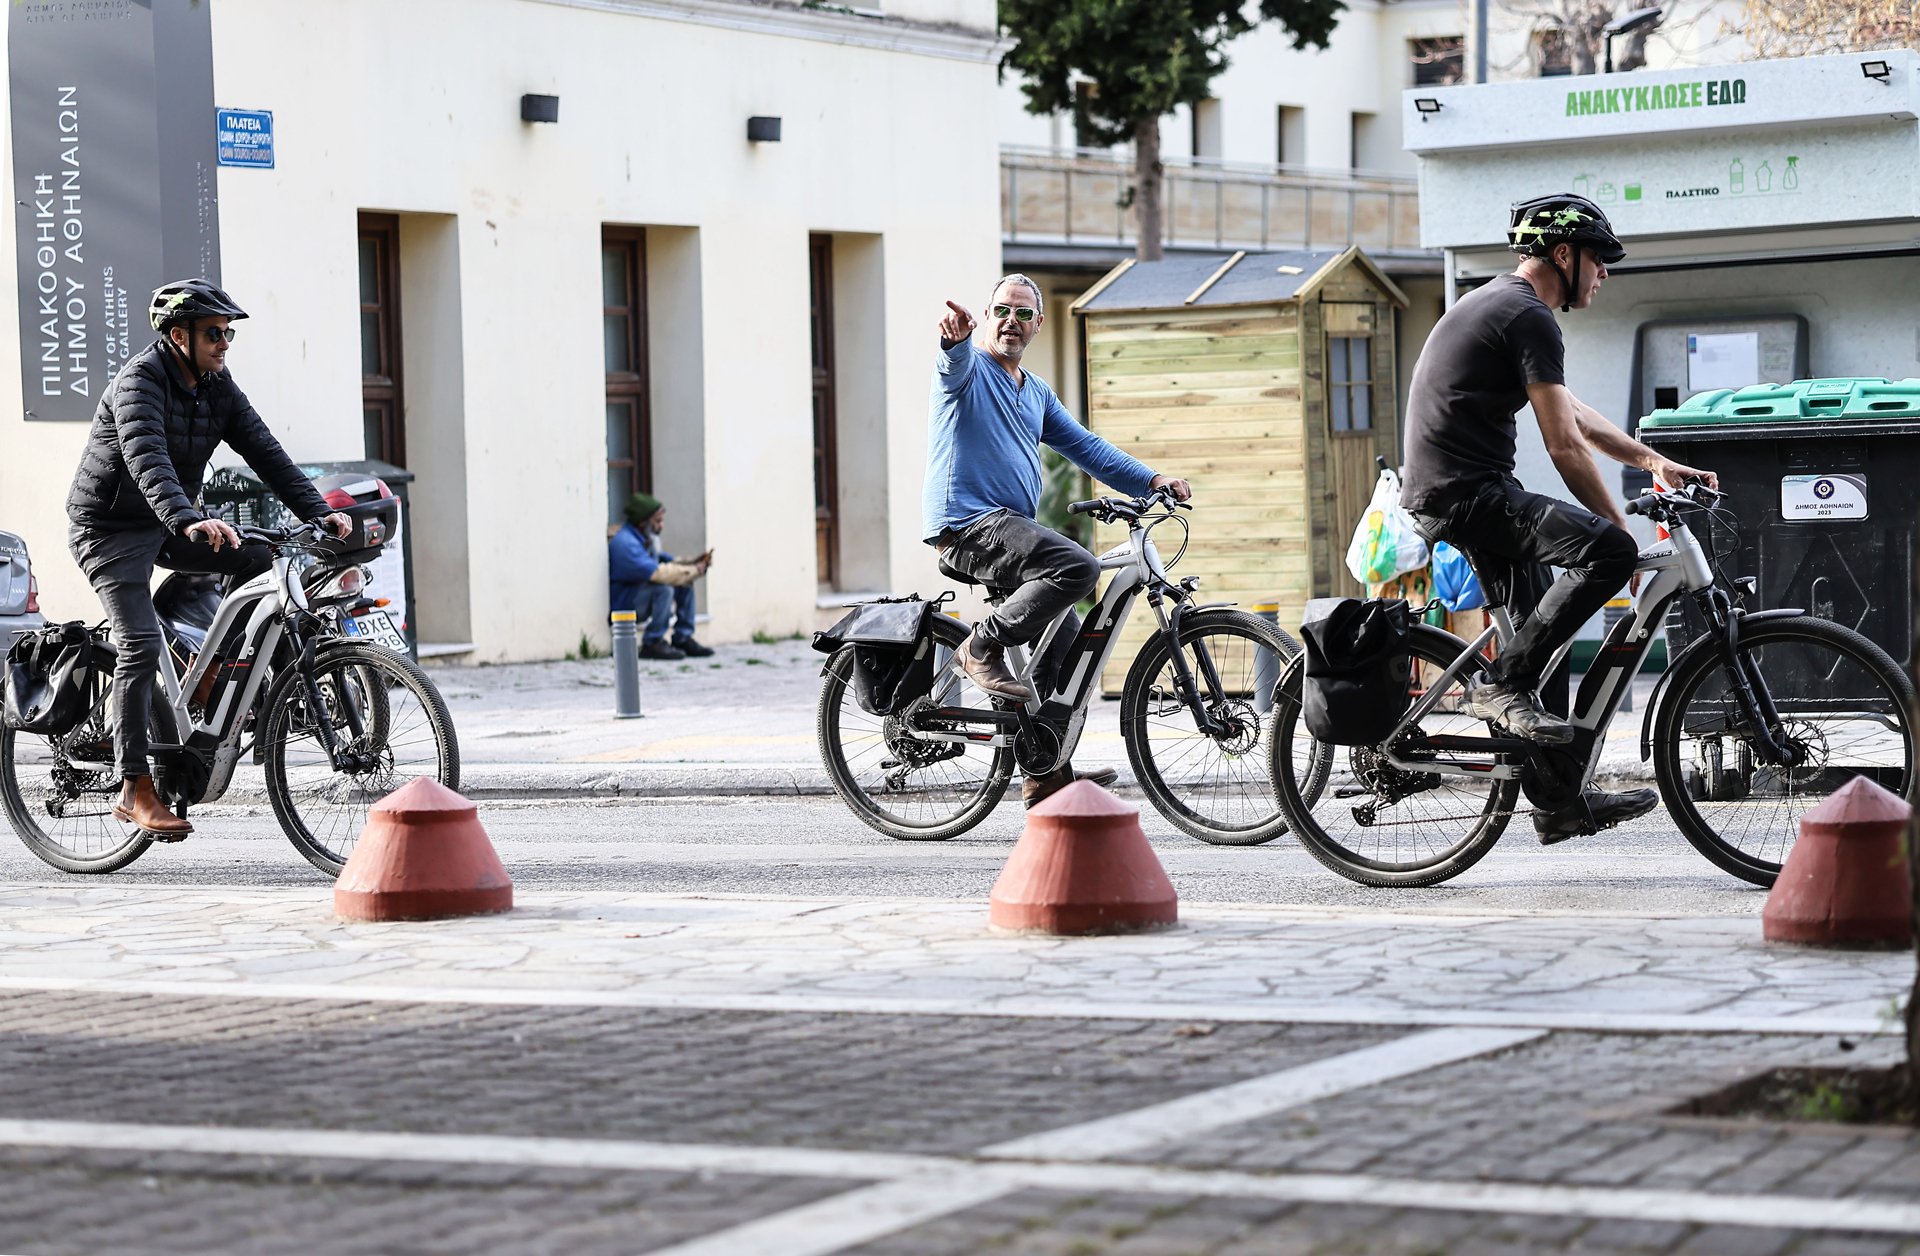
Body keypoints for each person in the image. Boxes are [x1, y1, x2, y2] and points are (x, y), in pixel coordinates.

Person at [1399, 192, 1718, 844]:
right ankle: (1501, 686)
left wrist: (1651, 461)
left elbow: (1574, 414)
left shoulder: (1507, 307)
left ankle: (1557, 801)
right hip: (1467, 494)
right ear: (1564, 254)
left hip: (1467, 489)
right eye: (1599, 260)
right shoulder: (1527, 315)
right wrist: (1617, 530)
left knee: (1547, 636)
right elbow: (1564, 444)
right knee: (1603, 553)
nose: (1605, 274)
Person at [66, 279, 352, 839]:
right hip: (110, 529)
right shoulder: (138, 384)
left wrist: (319, 511)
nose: (224, 344)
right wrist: (189, 518)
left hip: (170, 520)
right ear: (179, 337)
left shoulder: (216, 384)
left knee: (257, 561)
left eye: (228, 334)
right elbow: (146, 457)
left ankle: (217, 682)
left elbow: (265, 450)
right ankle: (134, 787)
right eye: (214, 334)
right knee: (140, 643)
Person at [928, 274, 1192, 807]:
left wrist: (1151, 480)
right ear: (987, 315)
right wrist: (952, 343)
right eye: (1002, 310)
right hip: (969, 525)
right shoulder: (969, 370)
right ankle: (978, 647)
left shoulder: (1035, 392)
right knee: (1079, 568)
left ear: (1038, 324)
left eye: (1023, 314)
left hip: (1006, 532)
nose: (1011, 321)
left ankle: (1046, 770)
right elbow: (949, 367)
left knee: (1068, 654)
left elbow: (1086, 448)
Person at [609, 492, 713, 659]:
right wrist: (694, 570)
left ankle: (683, 637)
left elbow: (666, 560)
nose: (661, 525)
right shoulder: (625, 544)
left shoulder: (645, 538)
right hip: (626, 605)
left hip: (641, 596)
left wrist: (691, 563)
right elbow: (657, 573)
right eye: (657, 521)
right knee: (664, 589)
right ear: (642, 522)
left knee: (684, 582)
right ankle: (653, 642)